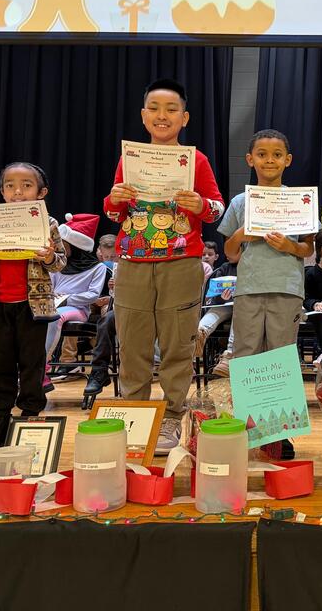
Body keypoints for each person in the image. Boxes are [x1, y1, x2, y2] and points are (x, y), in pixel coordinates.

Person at [103, 78, 225, 453]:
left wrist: (199, 205)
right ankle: (136, 416)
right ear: (144, 116)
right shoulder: (130, 159)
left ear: (184, 118)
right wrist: (115, 198)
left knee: (177, 346)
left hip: (182, 263)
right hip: (133, 263)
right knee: (132, 345)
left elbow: (217, 209)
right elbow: (113, 214)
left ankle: (172, 416)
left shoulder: (196, 160)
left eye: (172, 109)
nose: (162, 115)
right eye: (154, 108)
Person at [0, 163, 66, 451]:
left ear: (41, 192)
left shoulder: (48, 224)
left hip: (33, 306)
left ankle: (30, 413)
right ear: (1, 192)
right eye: (10, 186)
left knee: (32, 362)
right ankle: (0, 415)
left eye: (26, 185)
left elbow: (60, 262)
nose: (18, 192)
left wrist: (49, 257)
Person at [216, 130, 314, 376]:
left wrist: (289, 247)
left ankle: (280, 403)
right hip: (249, 288)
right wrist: (240, 235)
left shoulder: (299, 200)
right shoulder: (240, 202)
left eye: (277, 155)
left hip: (287, 288)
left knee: (281, 353)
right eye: (262, 154)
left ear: (287, 160)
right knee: (245, 352)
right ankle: (247, 402)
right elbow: (230, 253)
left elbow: (308, 248)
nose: (270, 160)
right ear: (250, 159)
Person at [42, 213, 108, 389]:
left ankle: (42, 366)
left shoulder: (98, 268)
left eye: (63, 243)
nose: (59, 246)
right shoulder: (59, 264)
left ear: (76, 245)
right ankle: (29, 364)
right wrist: (53, 297)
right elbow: (51, 286)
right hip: (55, 303)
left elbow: (93, 294)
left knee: (55, 316)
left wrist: (67, 299)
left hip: (78, 309)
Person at [194, 258, 237, 371]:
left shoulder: (252, 267)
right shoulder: (225, 268)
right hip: (225, 304)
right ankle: (200, 333)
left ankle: (229, 355)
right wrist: (221, 297)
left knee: (240, 312)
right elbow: (212, 297)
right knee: (215, 311)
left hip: (246, 306)